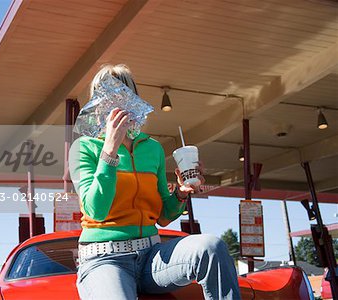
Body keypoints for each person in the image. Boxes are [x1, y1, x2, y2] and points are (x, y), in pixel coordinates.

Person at [69, 64, 241, 300]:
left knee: (211, 247)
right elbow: (96, 210)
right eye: (105, 95)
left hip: (152, 256)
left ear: (133, 98)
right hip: (104, 260)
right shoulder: (84, 147)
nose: (115, 102)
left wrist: (181, 193)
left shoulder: (152, 148)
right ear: (97, 103)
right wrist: (109, 151)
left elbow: (163, 216)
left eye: (123, 93)